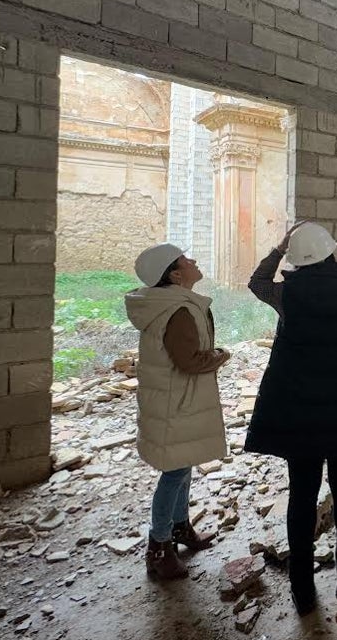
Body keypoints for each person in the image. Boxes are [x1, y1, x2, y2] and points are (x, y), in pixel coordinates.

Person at [245, 221, 337, 615]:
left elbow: (256, 283)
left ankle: (303, 590)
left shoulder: (287, 293)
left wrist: (277, 247)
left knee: (302, 496)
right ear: (331, 252)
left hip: (299, 409)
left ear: (298, 257)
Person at [124, 244, 229, 581]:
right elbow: (189, 361)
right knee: (174, 473)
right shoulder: (178, 310)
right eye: (186, 260)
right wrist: (221, 355)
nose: (194, 261)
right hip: (178, 401)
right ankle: (158, 546)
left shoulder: (170, 304)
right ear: (174, 274)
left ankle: (180, 527)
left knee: (182, 466)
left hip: (173, 399)